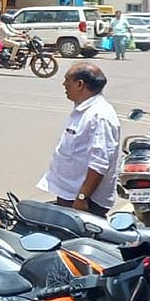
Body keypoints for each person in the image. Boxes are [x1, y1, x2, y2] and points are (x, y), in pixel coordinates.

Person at [37, 63, 121, 217]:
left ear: (80, 84)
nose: (64, 85)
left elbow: (100, 163)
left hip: (84, 201)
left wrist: (82, 197)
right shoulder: (84, 110)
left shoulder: (100, 116)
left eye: (67, 80)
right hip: (70, 193)